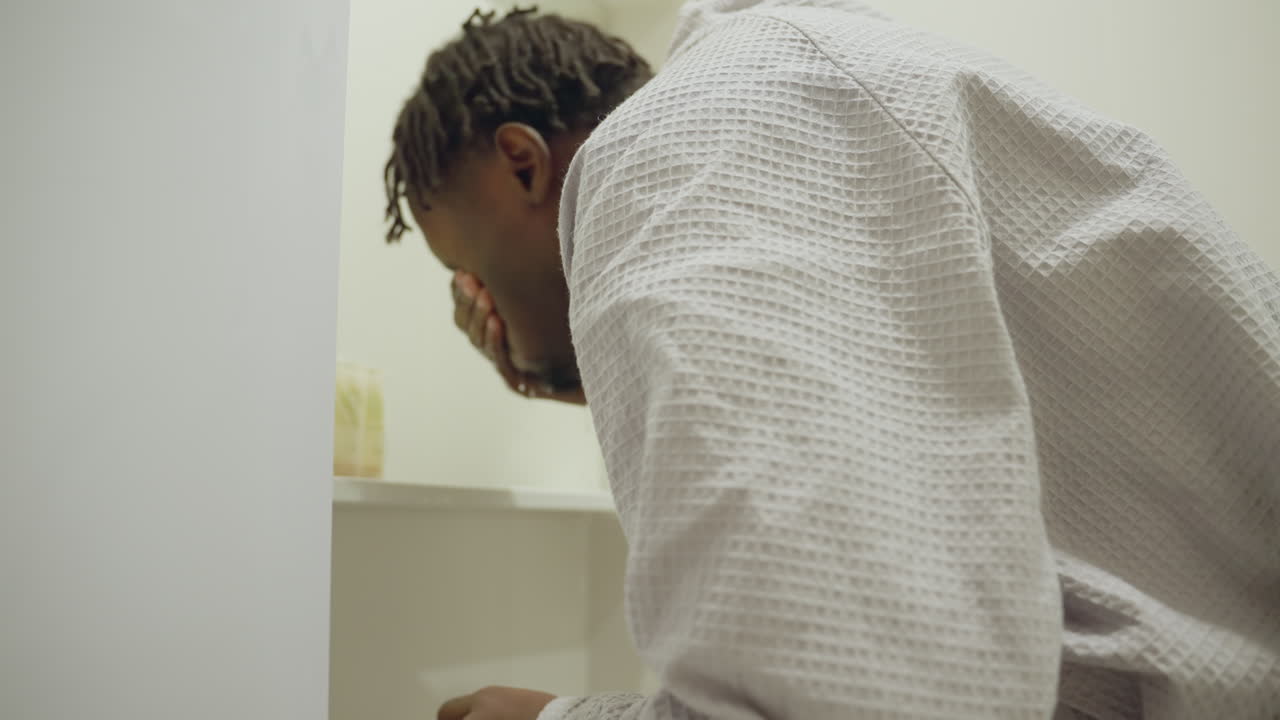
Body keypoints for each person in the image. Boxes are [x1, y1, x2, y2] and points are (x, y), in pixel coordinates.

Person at [383, 2, 1280, 718]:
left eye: (463, 265)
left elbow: (844, 695)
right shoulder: (789, 94)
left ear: (521, 163)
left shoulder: (669, 151)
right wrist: (573, 371)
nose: (475, 304)